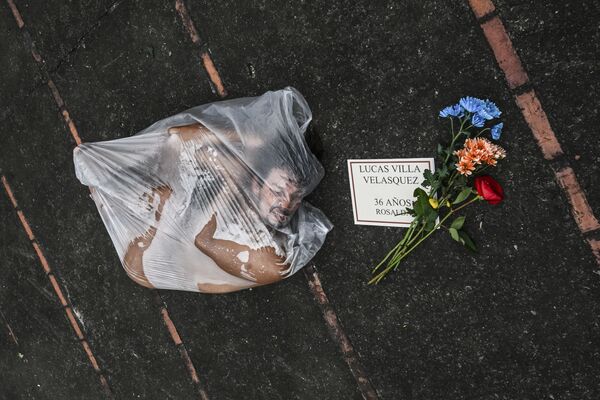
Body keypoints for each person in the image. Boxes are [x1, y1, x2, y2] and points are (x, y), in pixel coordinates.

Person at [122, 122, 307, 293]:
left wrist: (231, 183)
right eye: (277, 192)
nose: (285, 205)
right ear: (256, 184)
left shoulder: (271, 256)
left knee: (165, 193)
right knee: (164, 189)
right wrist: (249, 139)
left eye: (296, 197)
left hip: (147, 267)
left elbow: (203, 241)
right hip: (148, 250)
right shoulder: (237, 178)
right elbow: (177, 136)